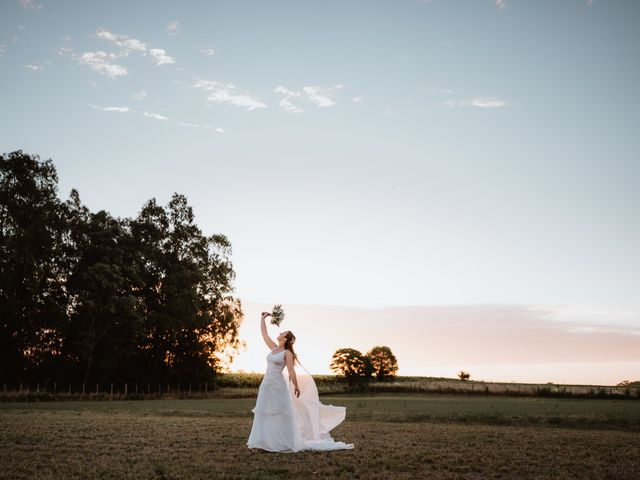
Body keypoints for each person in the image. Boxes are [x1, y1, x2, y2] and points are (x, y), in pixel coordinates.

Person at [247, 311, 354, 452]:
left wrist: (296, 386)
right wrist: (262, 318)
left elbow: (291, 371)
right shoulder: (274, 348)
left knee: (280, 413)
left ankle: (282, 442)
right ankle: (262, 442)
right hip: (266, 384)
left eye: (282, 333)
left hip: (278, 386)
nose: (279, 333)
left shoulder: (287, 354)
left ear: (285, 339)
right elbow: (264, 334)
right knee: (264, 412)